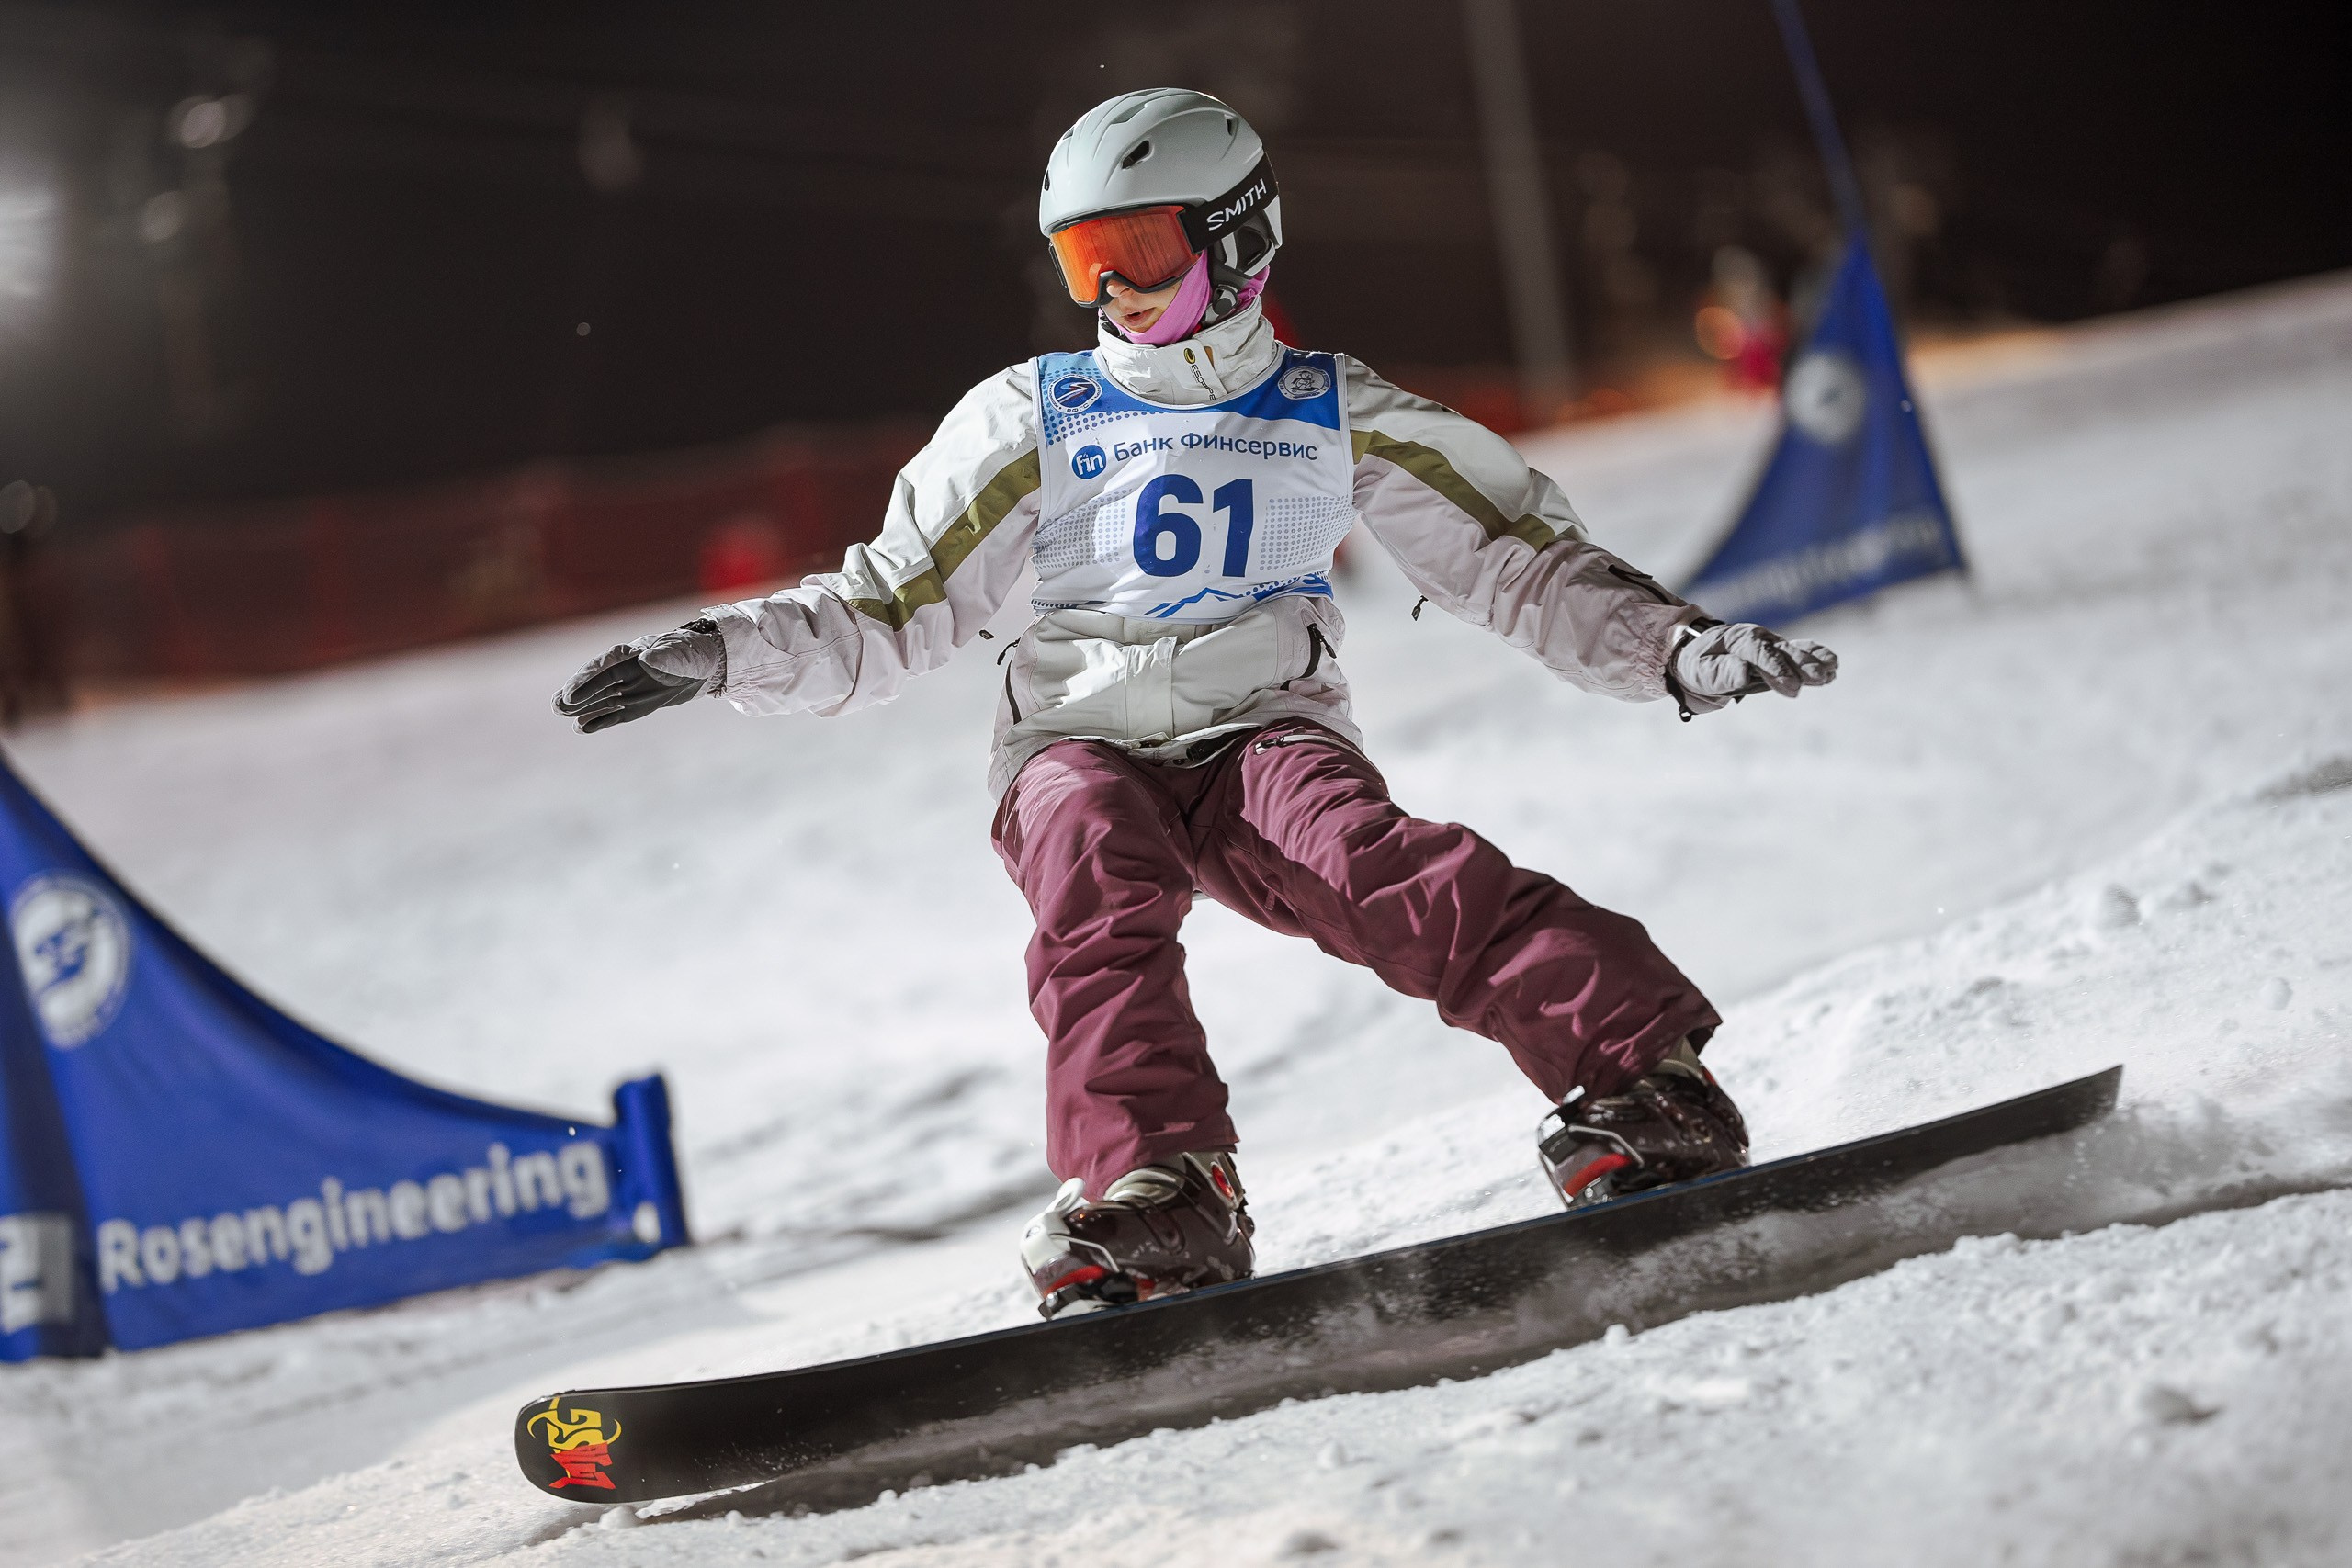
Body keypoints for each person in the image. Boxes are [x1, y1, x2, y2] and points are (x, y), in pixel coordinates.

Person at [556, 90, 1836, 1319]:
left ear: (1237, 241)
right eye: (1083, 263)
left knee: (1370, 864)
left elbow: (1514, 557)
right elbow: (895, 603)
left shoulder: (1333, 411)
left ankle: (1641, 1078)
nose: (1110, 290)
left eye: (1137, 252)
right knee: (1088, 881)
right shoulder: (1032, 418)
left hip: (1262, 729)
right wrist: (721, 650)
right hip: (1077, 738)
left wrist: (1676, 647)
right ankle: (1161, 1188)